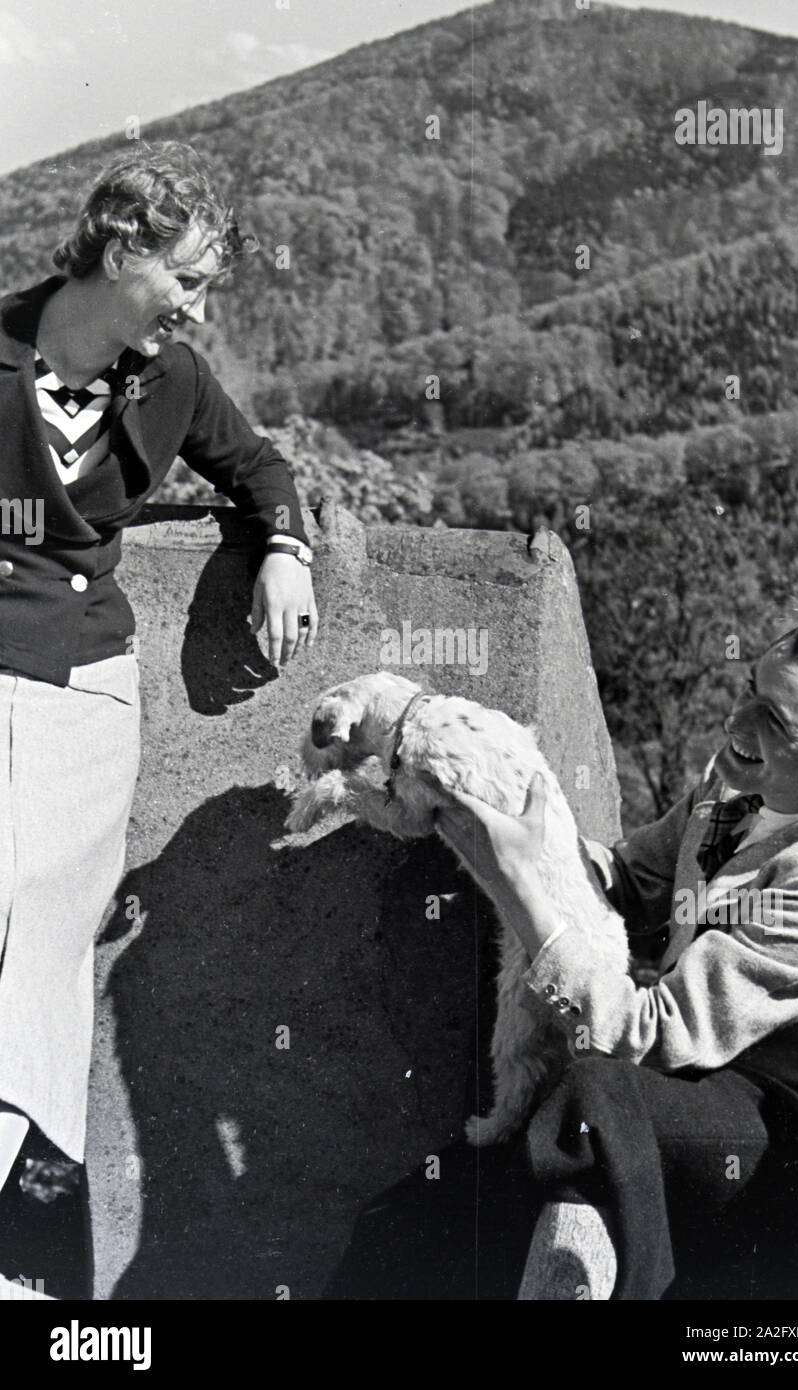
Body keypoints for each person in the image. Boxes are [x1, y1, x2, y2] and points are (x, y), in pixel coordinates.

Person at [325, 602, 798, 1299]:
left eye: (775, 724)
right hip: (653, 1086)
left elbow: (654, 1034)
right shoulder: (735, 776)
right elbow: (627, 879)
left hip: (777, 1128)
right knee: (404, 1229)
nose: (738, 726)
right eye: (748, 692)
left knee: (592, 1096)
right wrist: (495, 805)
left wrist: (517, 886)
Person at [0, 141, 317, 1296]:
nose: (199, 304)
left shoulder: (168, 378)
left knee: (43, 953)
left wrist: (282, 547)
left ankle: (33, 1270)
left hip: (88, 690)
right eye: (187, 275)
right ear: (120, 247)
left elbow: (263, 469)